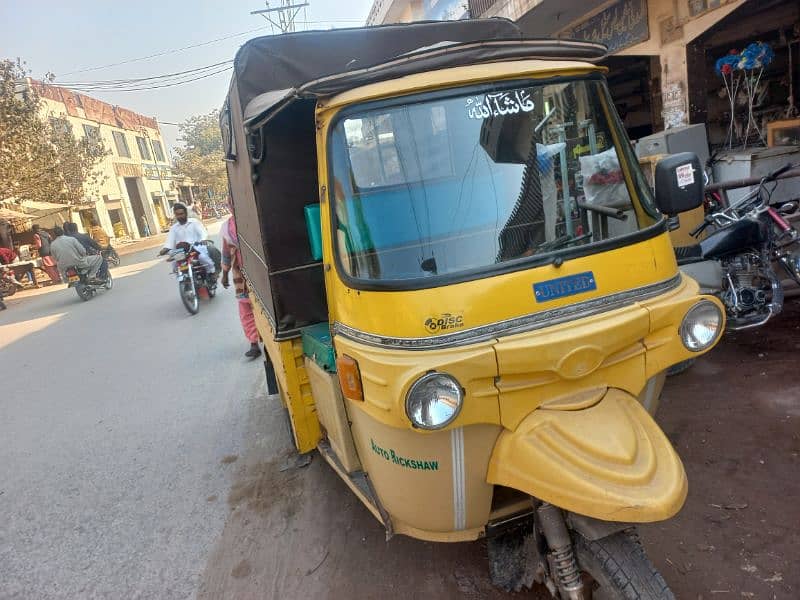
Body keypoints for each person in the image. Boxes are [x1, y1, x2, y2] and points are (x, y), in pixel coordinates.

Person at [220, 213, 261, 358]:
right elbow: (226, 252)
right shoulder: (227, 227)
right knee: (245, 307)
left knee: (262, 306)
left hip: (258, 269)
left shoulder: (249, 217)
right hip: (240, 274)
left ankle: (265, 338)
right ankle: (254, 343)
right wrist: (224, 274)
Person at [158, 203, 216, 276]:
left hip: (195, 248)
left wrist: (203, 240)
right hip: (181, 252)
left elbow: (203, 233)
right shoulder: (174, 228)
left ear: (185, 213)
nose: (180, 216)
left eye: (181, 214)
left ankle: (212, 273)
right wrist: (165, 249)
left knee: (204, 258)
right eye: (177, 214)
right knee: (174, 265)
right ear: (175, 215)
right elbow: (170, 241)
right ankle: (182, 280)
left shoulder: (194, 222)